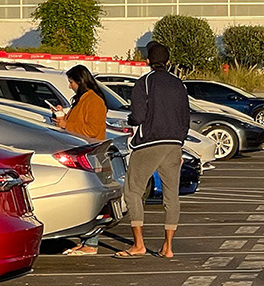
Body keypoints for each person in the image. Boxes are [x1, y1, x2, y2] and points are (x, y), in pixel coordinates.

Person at [115, 41, 190, 259]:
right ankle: (168, 247)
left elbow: (138, 116)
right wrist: (180, 143)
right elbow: (185, 117)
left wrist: (129, 120)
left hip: (149, 142)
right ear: (168, 62)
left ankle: (138, 244)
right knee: (171, 196)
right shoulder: (179, 85)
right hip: (175, 144)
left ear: (147, 61)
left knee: (133, 191)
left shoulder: (144, 82)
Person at [55, 64, 110, 255]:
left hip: (91, 154)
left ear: (80, 81)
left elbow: (92, 130)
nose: (69, 86)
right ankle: (87, 240)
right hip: (83, 154)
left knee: (90, 197)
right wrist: (63, 116)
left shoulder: (94, 101)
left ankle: (91, 242)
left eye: (71, 82)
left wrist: (66, 124)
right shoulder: (83, 99)